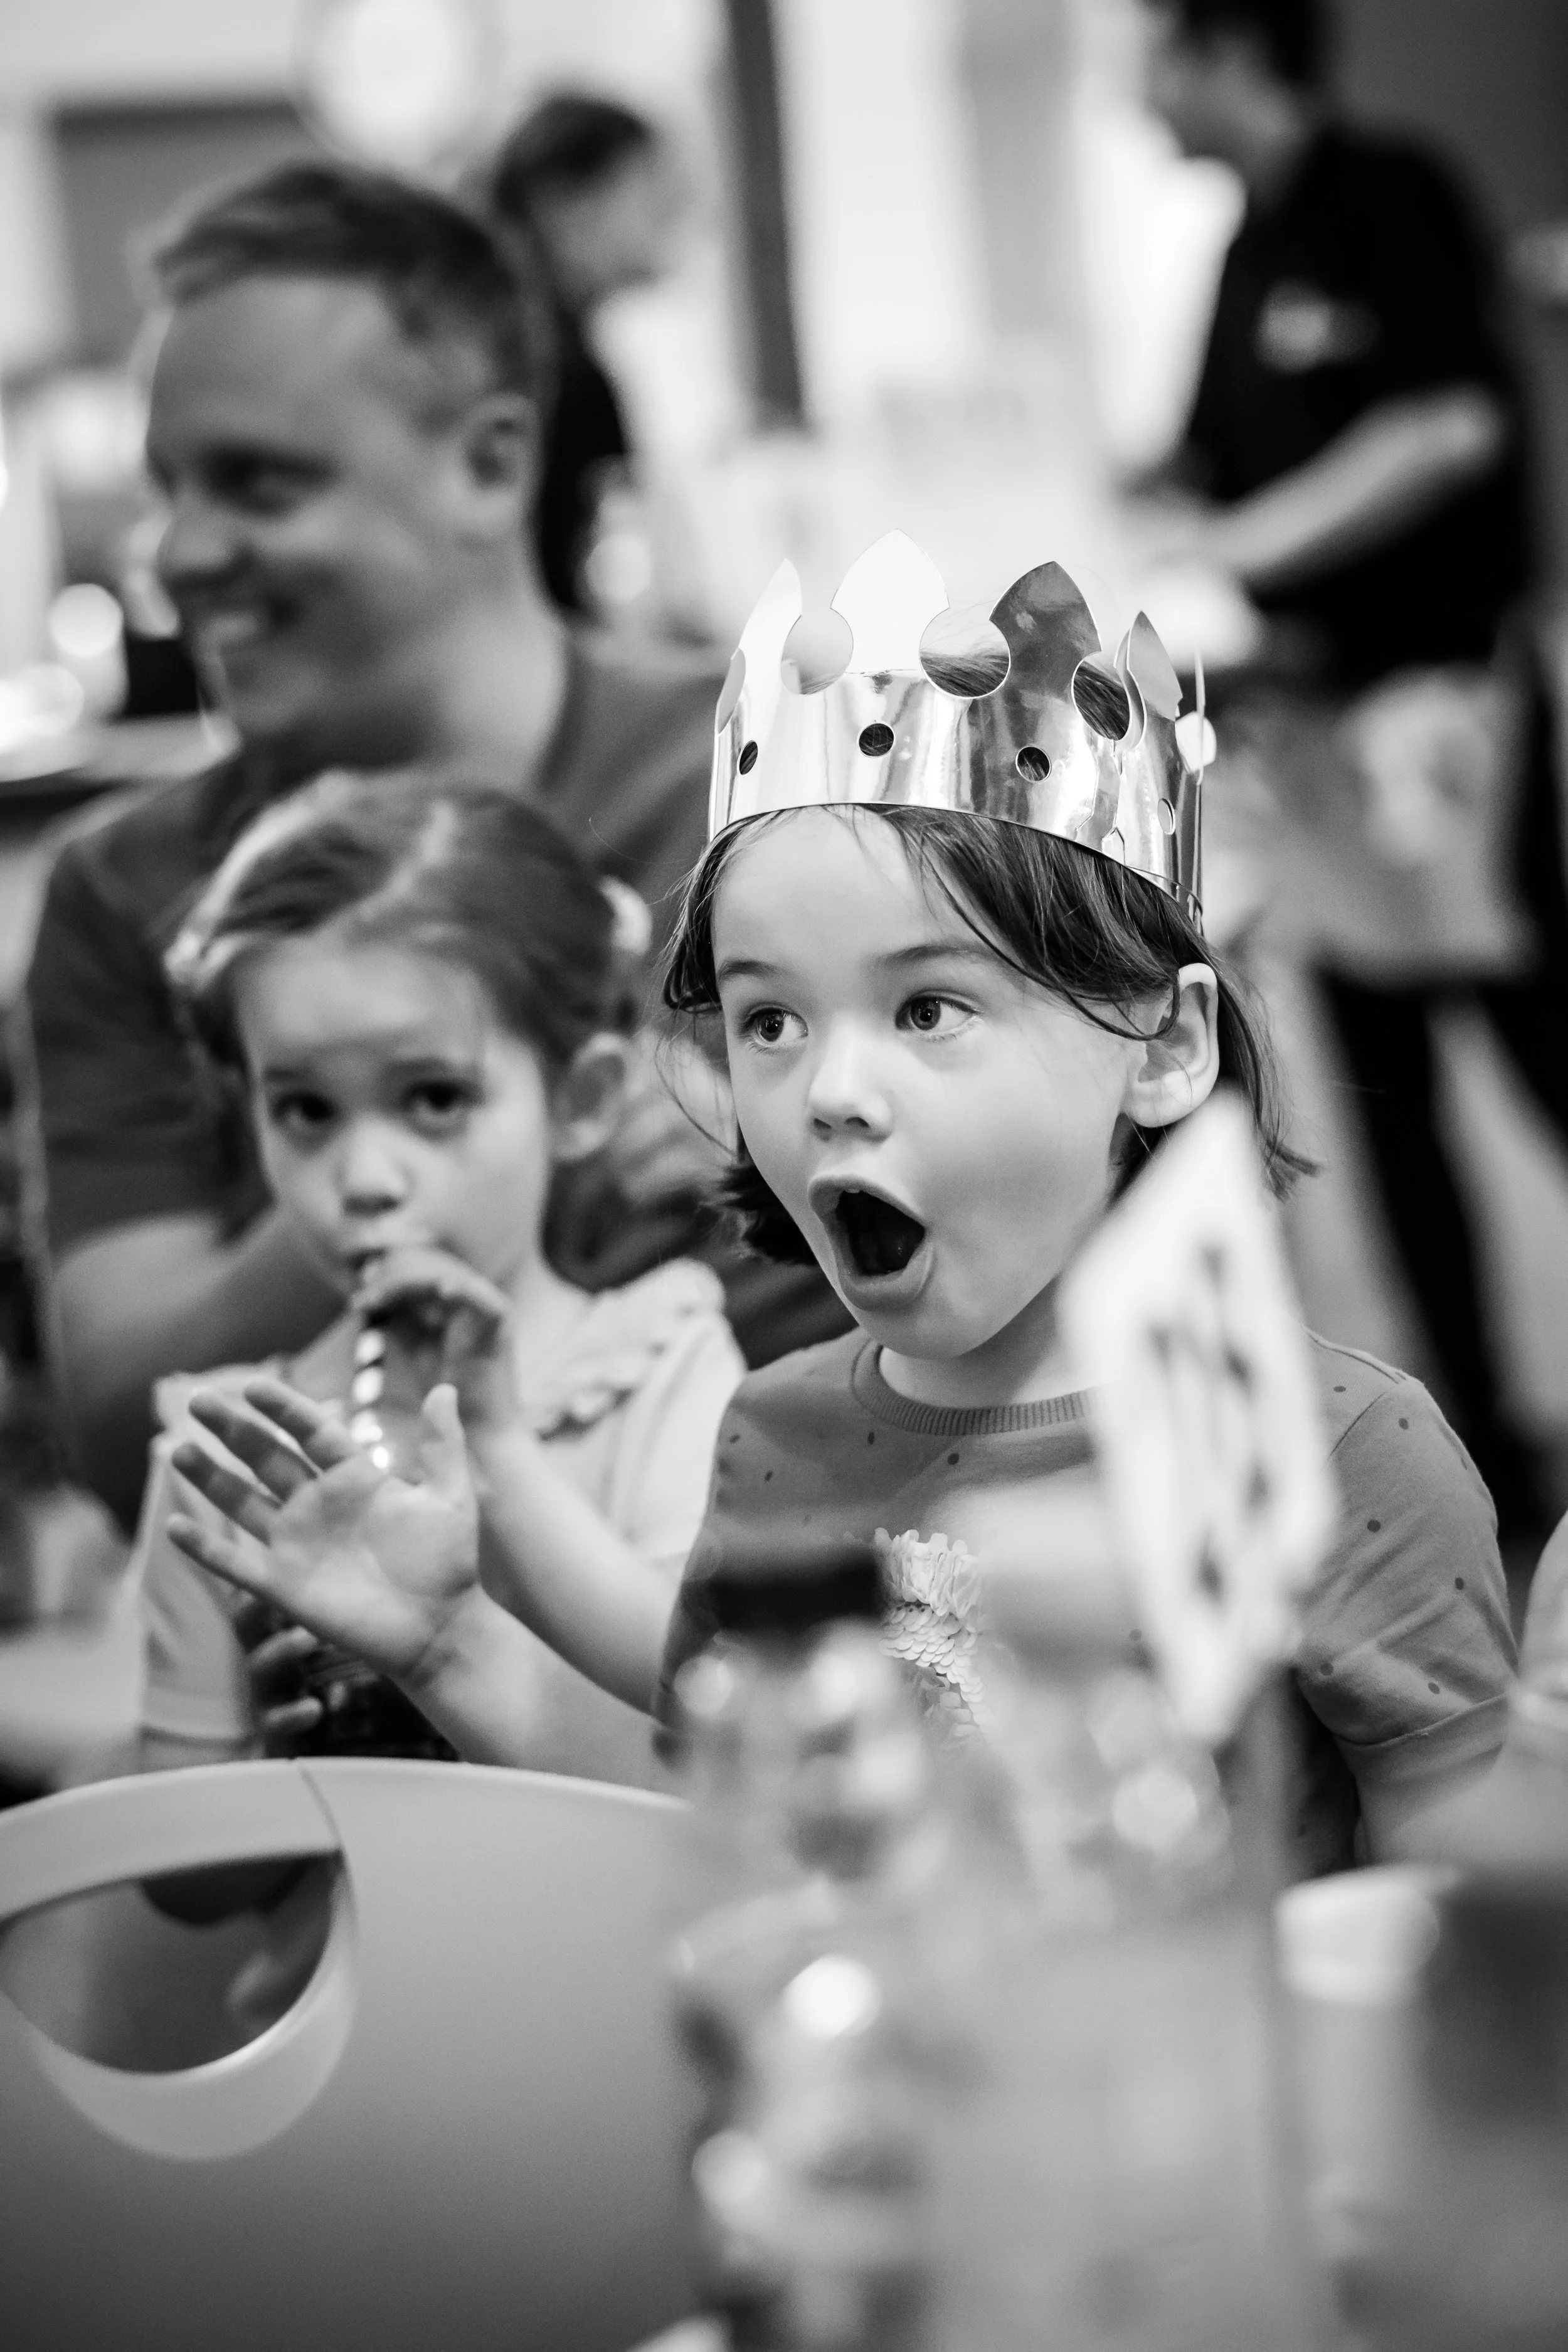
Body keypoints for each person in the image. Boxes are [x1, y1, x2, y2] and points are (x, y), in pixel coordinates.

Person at [162, 542, 1515, 1871]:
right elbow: (717, 1831)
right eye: (769, 1021)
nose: (830, 1091)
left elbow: (1475, 1923)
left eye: (928, 1009)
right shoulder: (770, 1435)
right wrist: (446, 1640)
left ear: (1163, 1047)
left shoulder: (1342, 1453)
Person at [16, 158, 841, 1530]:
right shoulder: (126, 891)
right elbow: (118, 1433)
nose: (179, 555)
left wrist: (776, 1133)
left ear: (492, 464)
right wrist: (438, 1135)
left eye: (259, 484)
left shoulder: (777, 771)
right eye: (170, 489)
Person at [1134, 0, 1568, 1541]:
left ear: (1225, 52)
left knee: (1538, 1040)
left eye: (1155, 54)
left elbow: (1444, 429)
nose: (1140, 89)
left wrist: (1240, 548)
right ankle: (1486, 1457)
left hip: (1437, 713)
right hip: (1306, 734)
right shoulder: (1242, 246)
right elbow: (1202, 459)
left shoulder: (1390, 193)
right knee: (1390, 1105)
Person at [133, 771, 742, 1789]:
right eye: (305, 1110)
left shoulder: (660, 1368)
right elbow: (179, 1854)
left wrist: (504, 1464)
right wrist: (262, 1763)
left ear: (581, 1098)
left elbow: (711, 1736)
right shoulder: (230, 1455)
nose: (366, 1179)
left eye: (432, 1097)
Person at [485, 93, 691, 615]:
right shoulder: (550, 373)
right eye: (650, 190)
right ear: (567, 203)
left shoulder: (540, 349)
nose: (679, 210)